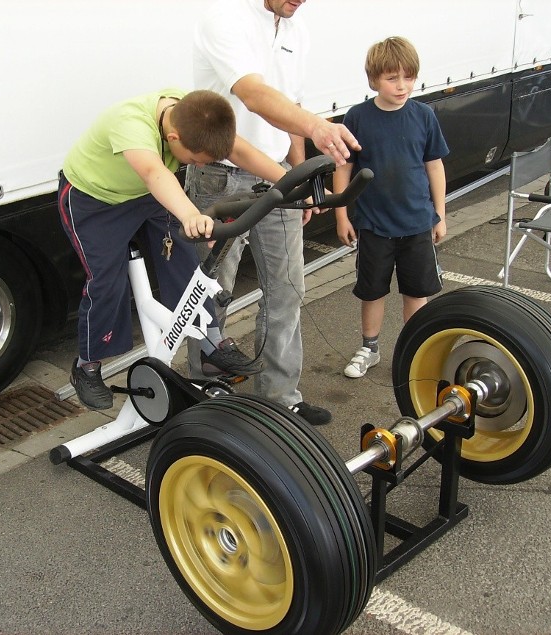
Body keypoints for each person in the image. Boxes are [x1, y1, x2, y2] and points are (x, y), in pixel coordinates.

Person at [185, 0, 360, 426]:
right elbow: (254, 94)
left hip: (276, 174)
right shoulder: (224, 18)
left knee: (288, 290)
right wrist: (318, 127)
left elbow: (289, 109)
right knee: (212, 295)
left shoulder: (295, 30)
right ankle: (208, 395)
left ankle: (279, 399)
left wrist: (298, 177)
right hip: (221, 177)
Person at [59, 88, 288, 410]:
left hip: (147, 192)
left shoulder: (195, 113)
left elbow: (240, 151)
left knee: (183, 258)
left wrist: (291, 182)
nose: (195, 164)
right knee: (106, 282)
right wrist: (190, 214)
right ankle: (87, 365)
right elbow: (154, 172)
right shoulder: (130, 122)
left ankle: (212, 343)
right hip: (96, 200)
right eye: (194, 161)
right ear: (173, 136)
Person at [333, 36, 449, 379]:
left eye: (408, 77)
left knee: (417, 292)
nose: (402, 86)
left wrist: (439, 214)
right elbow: (344, 168)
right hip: (373, 225)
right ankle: (369, 348)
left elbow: (435, 166)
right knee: (372, 290)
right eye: (392, 78)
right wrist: (342, 214)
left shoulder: (424, 115)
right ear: (373, 80)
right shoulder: (357, 117)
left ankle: (415, 350)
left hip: (416, 223)